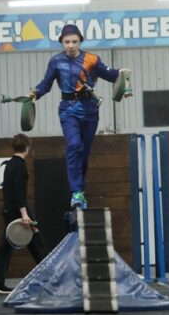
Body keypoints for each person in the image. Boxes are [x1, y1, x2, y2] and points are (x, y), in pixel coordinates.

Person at [30, 24, 129, 210]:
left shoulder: (92, 59)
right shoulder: (56, 61)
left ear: (80, 41)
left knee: (83, 154)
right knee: (74, 145)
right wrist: (34, 94)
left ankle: (80, 192)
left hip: (90, 110)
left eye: (74, 41)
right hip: (68, 110)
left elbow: (111, 75)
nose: (70, 45)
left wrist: (121, 74)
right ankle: (76, 192)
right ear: (61, 42)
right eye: (67, 41)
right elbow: (46, 84)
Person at [0, 133, 45, 294]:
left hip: (9, 210)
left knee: (7, 246)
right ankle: (49, 277)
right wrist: (24, 214)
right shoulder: (20, 166)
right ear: (26, 148)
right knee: (36, 242)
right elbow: (19, 192)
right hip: (19, 212)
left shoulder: (10, 165)